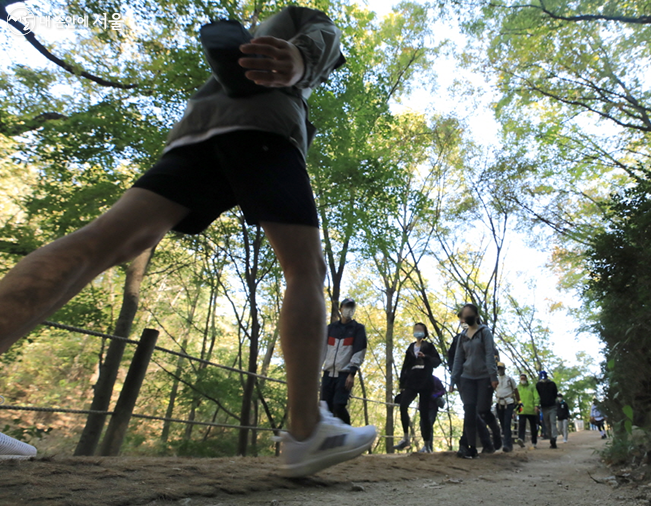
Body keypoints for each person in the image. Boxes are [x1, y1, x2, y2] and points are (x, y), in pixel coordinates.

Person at [0, 6, 376, 475]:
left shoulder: (244, 45)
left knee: (101, 241)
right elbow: (321, 34)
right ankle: (307, 431)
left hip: (199, 129)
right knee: (305, 269)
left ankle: (307, 429)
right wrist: (302, 60)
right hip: (266, 127)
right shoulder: (297, 16)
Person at [451, 303, 499, 459]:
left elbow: (490, 355)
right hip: (467, 378)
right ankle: (468, 447)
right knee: (469, 411)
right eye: (464, 314)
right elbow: (458, 358)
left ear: (476, 315)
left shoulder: (484, 332)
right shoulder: (462, 336)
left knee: (483, 409)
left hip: (484, 376)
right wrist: (453, 380)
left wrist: (493, 377)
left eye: (469, 314)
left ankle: (495, 433)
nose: (466, 317)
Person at [393, 323, 441, 452]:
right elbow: (405, 367)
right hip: (412, 381)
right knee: (403, 405)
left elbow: (437, 362)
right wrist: (402, 385)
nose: (417, 332)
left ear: (425, 332)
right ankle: (405, 437)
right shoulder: (410, 348)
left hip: (425, 381)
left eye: (420, 330)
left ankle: (426, 444)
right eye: (416, 330)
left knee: (424, 413)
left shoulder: (429, 346)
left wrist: (425, 357)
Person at [321, 298, 367, 425]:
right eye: (346, 307)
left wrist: (352, 373)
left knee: (338, 405)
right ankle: (329, 439)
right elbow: (322, 350)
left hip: (344, 374)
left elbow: (359, 351)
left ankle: (348, 432)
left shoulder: (358, 329)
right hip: (328, 373)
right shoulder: (330, 328)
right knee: (325, 408)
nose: (349, 310)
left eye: (351, 308)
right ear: (340, 309)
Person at [495, 362, 519, 452]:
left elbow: (516, 390)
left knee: (507, 423)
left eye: (501, 368)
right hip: (499, 403)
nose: (499, 370)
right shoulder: (495, 379)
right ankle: (505, 442)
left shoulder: (509, 379)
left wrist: (519, 401)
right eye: (498, 368)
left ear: (504, 369)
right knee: (502, 423)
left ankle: (507, 444)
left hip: (508, 402)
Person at [535, 370, 559, 449]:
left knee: (553, 422)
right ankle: (551, 438)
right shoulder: (538, 385)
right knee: (547, 424)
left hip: (552, 406)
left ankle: (554, 438)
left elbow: (555, 394)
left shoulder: (552, 384)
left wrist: (551, 400)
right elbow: (537, 396)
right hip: (544, 407)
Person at [516, 373, 540, 449]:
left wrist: (536, 405)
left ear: (526, 379)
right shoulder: (518, 387)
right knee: (521, 425)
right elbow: (515, 398)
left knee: (533, 427)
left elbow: (536, 396)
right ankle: (521, 439)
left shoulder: (532, 387)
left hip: (531, 410)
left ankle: (534, 442)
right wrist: (516, 408)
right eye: (521, 378)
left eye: (524, 378)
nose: (522, 379)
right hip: (521, 409)